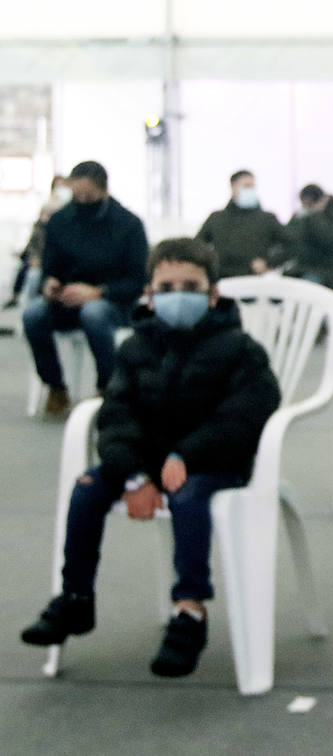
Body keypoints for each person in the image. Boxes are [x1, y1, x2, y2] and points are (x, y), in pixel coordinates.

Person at [19, 238, 281, 677]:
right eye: (166, 287)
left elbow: (246, 415)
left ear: (213, 294)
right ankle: (76, 598)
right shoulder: (133, 349)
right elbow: (116, 416)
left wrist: (186, 454)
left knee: (188, 496)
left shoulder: (242, 350)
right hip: (146, 462)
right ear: (149, 294)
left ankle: (190, 610)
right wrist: (134, 476)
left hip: (215, 464)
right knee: (87, 488)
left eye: (191, 287)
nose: (178, 296)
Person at [23, 161, 148, 417]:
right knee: (33, 315)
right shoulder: (60, 221)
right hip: (66, 301)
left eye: (87, 196)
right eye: (76, 195)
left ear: (103, 190)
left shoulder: (129, 225)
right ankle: (55, 386)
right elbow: (50, 267)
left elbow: (137, 281)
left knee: (94, 313)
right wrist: (51, 283)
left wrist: (97, 292)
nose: (81, 201)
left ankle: (108, 388)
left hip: (113, 303)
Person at [195, 169, 290, 278]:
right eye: (246, 186)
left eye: (252, 186)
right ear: (233, 187)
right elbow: (197, 246)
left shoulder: (267, 219)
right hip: (222, 278)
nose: (250, 190)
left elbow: (292, 245)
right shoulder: (216, 218)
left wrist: (268, 262)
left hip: (253, 279)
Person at [7, 175, 71, 308]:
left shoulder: (67, 217)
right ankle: (17, 297)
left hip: (53, 263)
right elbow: (34, 243)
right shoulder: (42, 221)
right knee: (27, 271)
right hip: (38, 257)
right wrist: (34, 257)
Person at [283, 184, 333, 290]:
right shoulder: (301, 217)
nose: (306, 208)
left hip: (328, 271)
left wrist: (315, 215)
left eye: (308, 204)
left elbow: (328, 239)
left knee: (305, 288)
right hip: (303, 268)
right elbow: (289, 238)